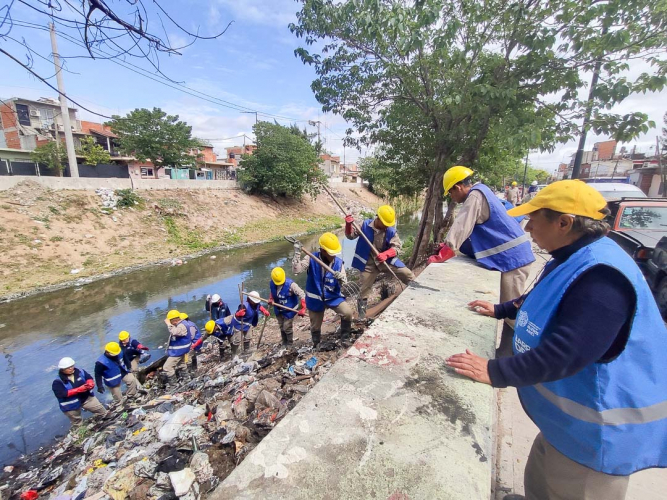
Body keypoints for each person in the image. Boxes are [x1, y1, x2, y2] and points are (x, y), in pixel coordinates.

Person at [446, 180, 667, 500]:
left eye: (535, 220)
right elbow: (542, 297)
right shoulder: (570, 255)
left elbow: (565, 353)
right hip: (567, 424)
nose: (527, 226)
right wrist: (500, 309)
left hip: (599, 432)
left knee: (571, 486)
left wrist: (495, 371)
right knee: (543, 475)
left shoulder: (602, 278)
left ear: (564, 223)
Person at [429, 166, 535, 356]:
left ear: (459, 186)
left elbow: (462, 225)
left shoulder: (475, 197)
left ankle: (508, 356)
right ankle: (505, 353)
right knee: (509, 308)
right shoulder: (483, 190)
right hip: (513, 257)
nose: (451, 197)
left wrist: (446, 251)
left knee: (512, 311)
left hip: (512, 260)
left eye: (451, 192)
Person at [345, 205, 415, 317]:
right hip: (368, 264)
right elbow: (350, 236)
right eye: (385, 223)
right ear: (378, 218)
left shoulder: (391, 231)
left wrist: (386, 254)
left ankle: (415, 296)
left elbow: (397, 247)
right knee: (363, 290)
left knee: (407, 274)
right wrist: (348, 225)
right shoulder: (364, 225)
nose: (387, 226)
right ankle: (362, 315)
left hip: (385, 261)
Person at [292, 232, 354, 346]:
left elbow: (344, 283)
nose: (334, 255)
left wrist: (341, 279)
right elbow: (296, 270)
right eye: (331, 253)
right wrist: (296, 254)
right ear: (323, 250)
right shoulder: (311, 258)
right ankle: (316, 344)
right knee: (315, 326)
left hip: (333, 296)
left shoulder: (339, 263)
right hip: (315, 299)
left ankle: (345, 338)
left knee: (348, 313)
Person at [52, 357, 106, 425]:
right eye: (68, 368)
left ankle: (99, 420)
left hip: (87, 398)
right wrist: (78, 390)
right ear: (62, 370)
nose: (71, 368)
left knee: (102, 411)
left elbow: (88, 377)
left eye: (72, 366)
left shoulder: (80, 372)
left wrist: (90, 383)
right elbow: (61, 394)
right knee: (77, 422)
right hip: (71, 405)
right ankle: (80, 430)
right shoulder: (57, 382)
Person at [268, 266, 306, 346]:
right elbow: (272, 292)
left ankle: (289, 344)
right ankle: (284, 342)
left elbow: (302, 294)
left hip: (290, 309)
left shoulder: (291, 285)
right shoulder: (273, 283)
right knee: (281, 326)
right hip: (278, 309)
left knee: (287, 327)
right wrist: (271, 298)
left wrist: (303, 307)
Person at [162, 309, 191, 386]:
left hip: (178, 351)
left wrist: (169, 324)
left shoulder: (182, 325)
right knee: (181, 364)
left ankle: (174, 385)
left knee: (167, 367)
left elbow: (174, 332)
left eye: (170, 321)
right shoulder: (182, 324)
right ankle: (186, 379)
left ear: (174, 320)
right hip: (181, 350)